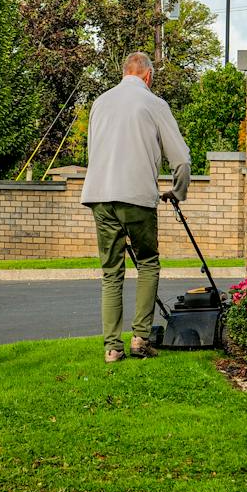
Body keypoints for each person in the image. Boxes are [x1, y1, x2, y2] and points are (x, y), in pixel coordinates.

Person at [81, 51, 192, 363]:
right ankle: (140, 338)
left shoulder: (100, 102)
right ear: (148, 76)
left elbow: (95, 152)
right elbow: (181, 159)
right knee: (147, 262)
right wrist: (178, 192)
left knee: (111, 271)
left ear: (124, 73)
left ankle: (112, 348)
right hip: (137, 196)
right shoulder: (154, 104)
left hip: (100, 195)